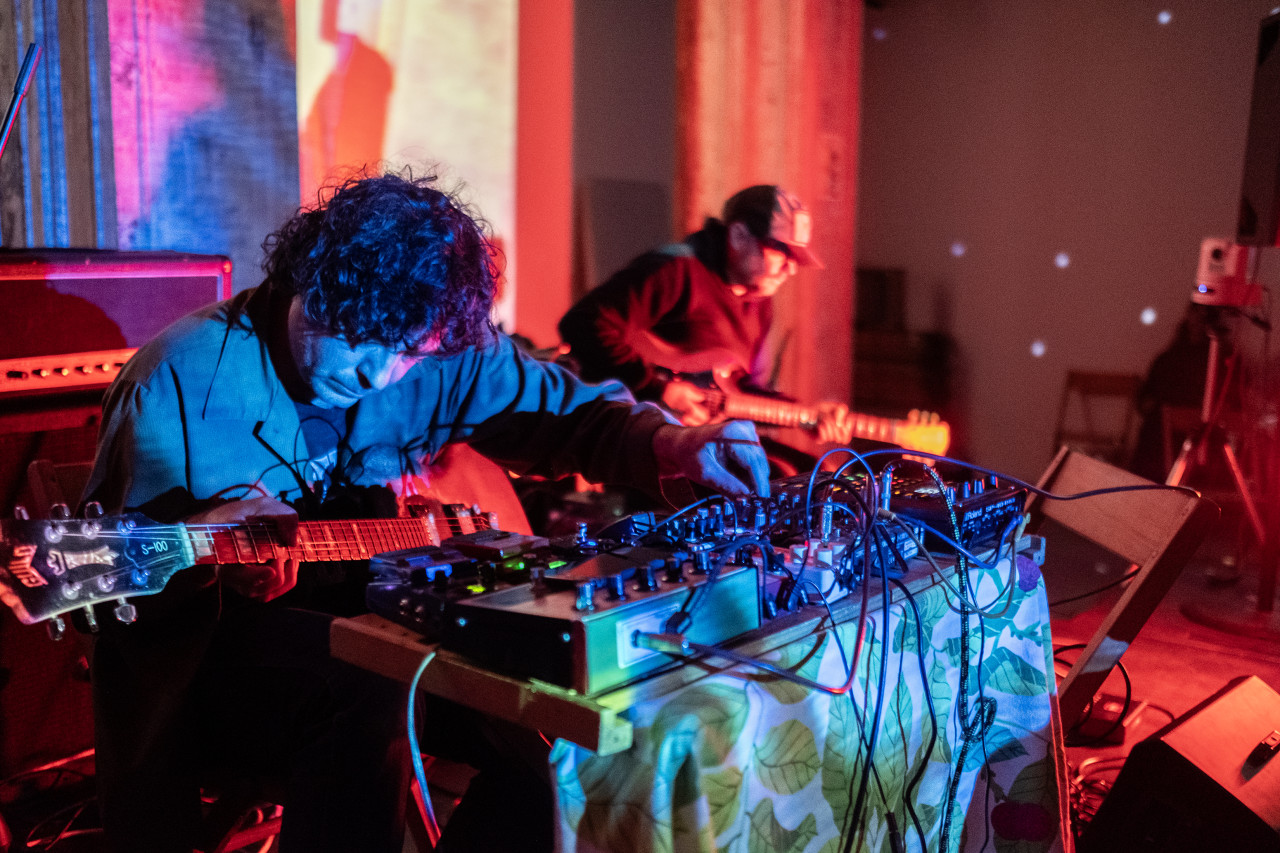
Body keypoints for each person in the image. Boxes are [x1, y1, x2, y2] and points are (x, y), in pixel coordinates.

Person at [73, 170, 770, 853]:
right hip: (211, 676)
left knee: (560, 731)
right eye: (358, 339)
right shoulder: (177, 381)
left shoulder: (434, 347)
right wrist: (203, 557)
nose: (379, 374)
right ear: (312, 282)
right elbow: (102, 604)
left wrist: (671, 442)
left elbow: (567, 409)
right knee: (368, 688)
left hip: (384, 631)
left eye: (409, 353)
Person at [558, 184, 854, 445]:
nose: (790, 269)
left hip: (697, 441)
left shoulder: (760, 301)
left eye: (797, 259)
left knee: (811, 480)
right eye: (781, 252)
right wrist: (658, 388)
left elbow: (739, 390)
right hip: (635, 436)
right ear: (738, 235)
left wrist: (805, 415)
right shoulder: (677, 270)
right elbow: (582, 322)